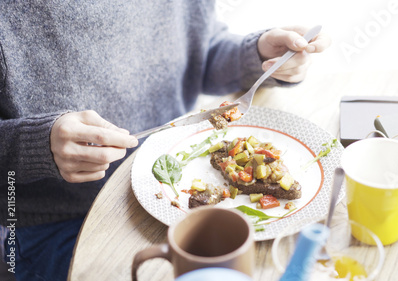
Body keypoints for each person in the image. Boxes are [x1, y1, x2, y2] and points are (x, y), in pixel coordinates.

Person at [0, 1, 331, 280]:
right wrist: (34, 143)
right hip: (55, 224)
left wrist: (258, 59)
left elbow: (201, 49)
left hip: (173, 179)